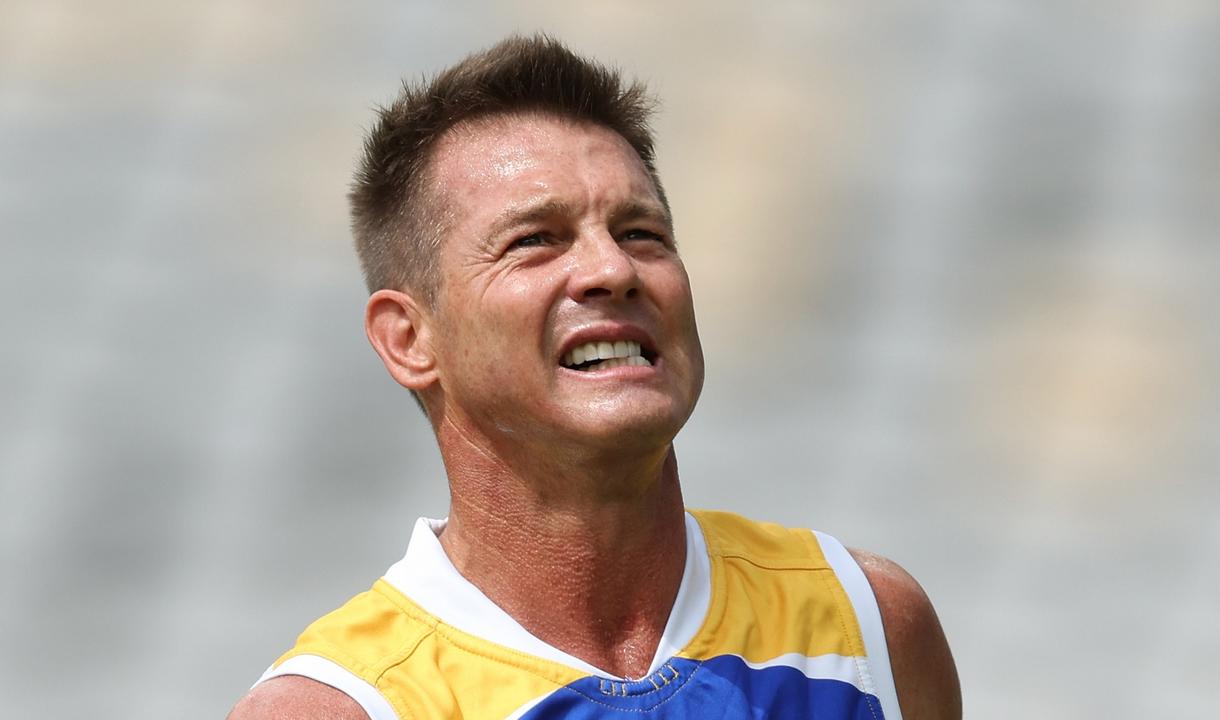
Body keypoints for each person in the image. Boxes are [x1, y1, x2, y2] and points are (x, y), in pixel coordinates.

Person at [228, 34, 960, 720]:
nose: (613, 269)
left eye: (641, 233)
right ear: (409, 339)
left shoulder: (869, 627)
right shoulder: (343, 707)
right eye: (534, 241)